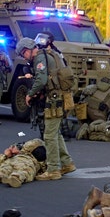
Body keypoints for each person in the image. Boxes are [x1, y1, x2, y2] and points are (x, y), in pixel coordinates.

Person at [16, 37, 75, 181]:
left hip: (54, 99)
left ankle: (53, 169)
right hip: (59, 97)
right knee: (56, 133)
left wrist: (29, 94)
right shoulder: (46, 55)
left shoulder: (40, 58)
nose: (25, 58)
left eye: (23, 54)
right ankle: (67, 163)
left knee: (49, 135)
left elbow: (42, 80)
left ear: (28, 50)